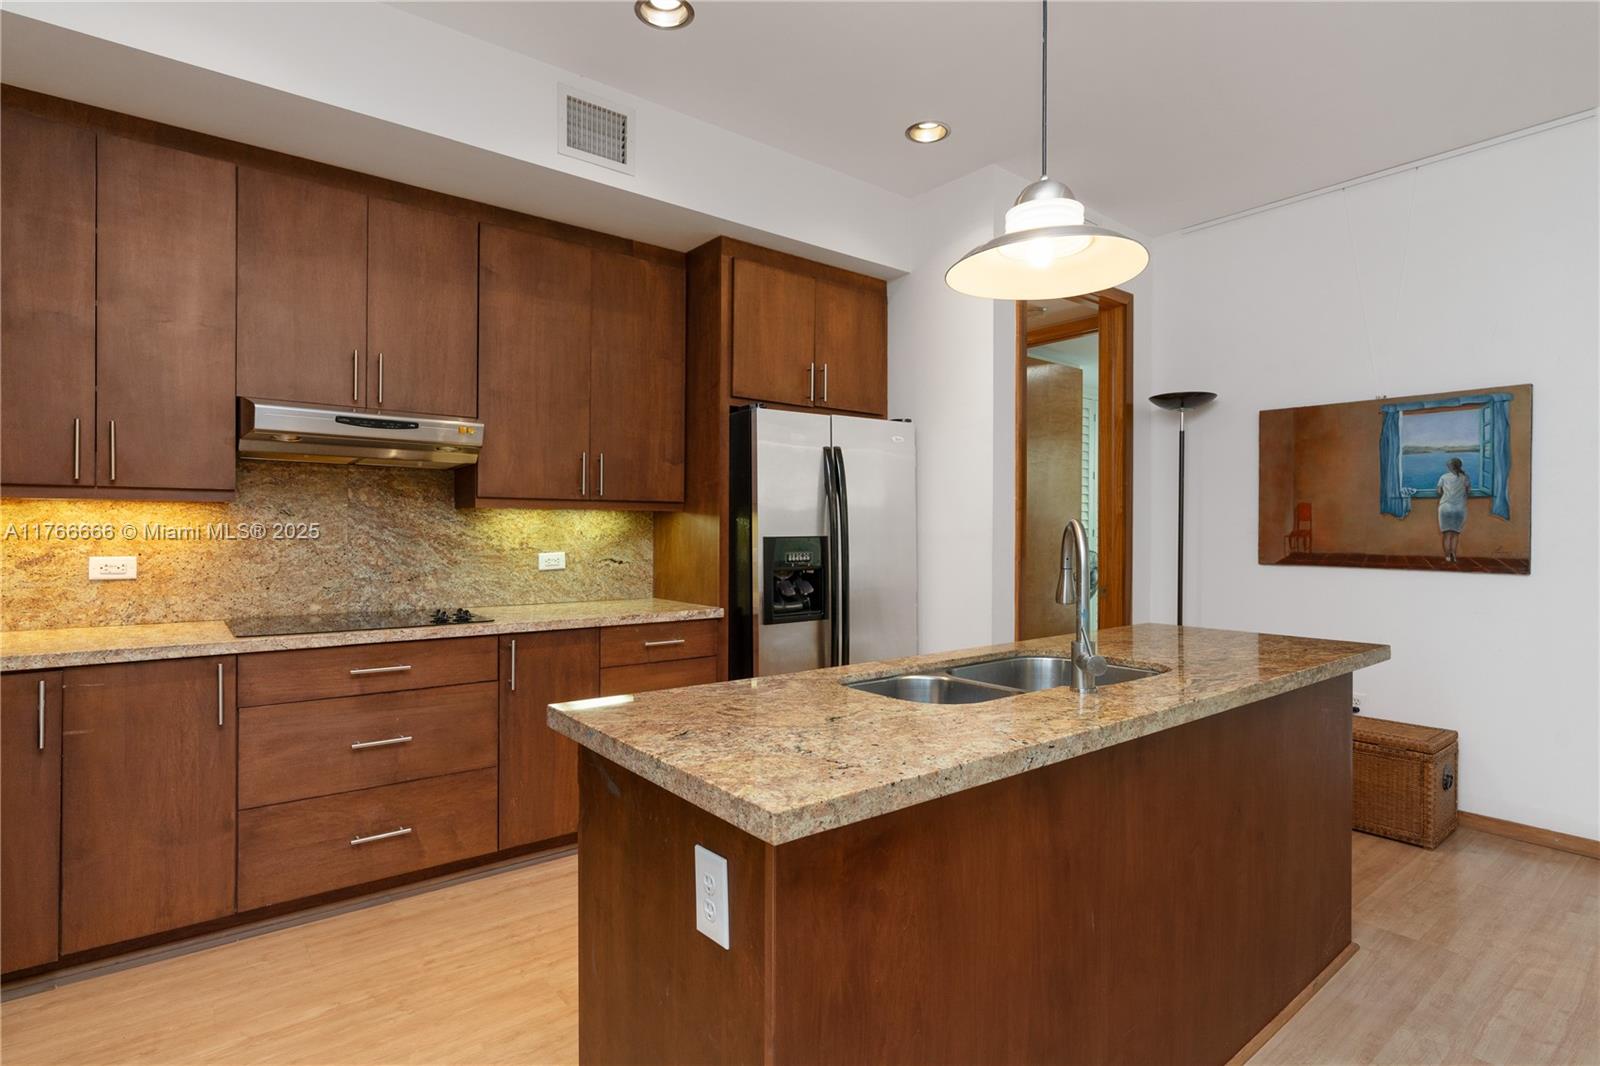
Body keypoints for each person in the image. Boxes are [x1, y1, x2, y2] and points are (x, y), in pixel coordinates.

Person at [1436, 457, 1469, 563]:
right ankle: (1454, 555)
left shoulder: (1444, 477)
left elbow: (1438, 491)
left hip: (1445, 507)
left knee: (1446, 535)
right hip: (1459, 508)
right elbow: (1467, 491)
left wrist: (1447, 495)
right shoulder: (1464, 477)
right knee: (1455, 534)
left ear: (1450, 467)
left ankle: (1447, 557)